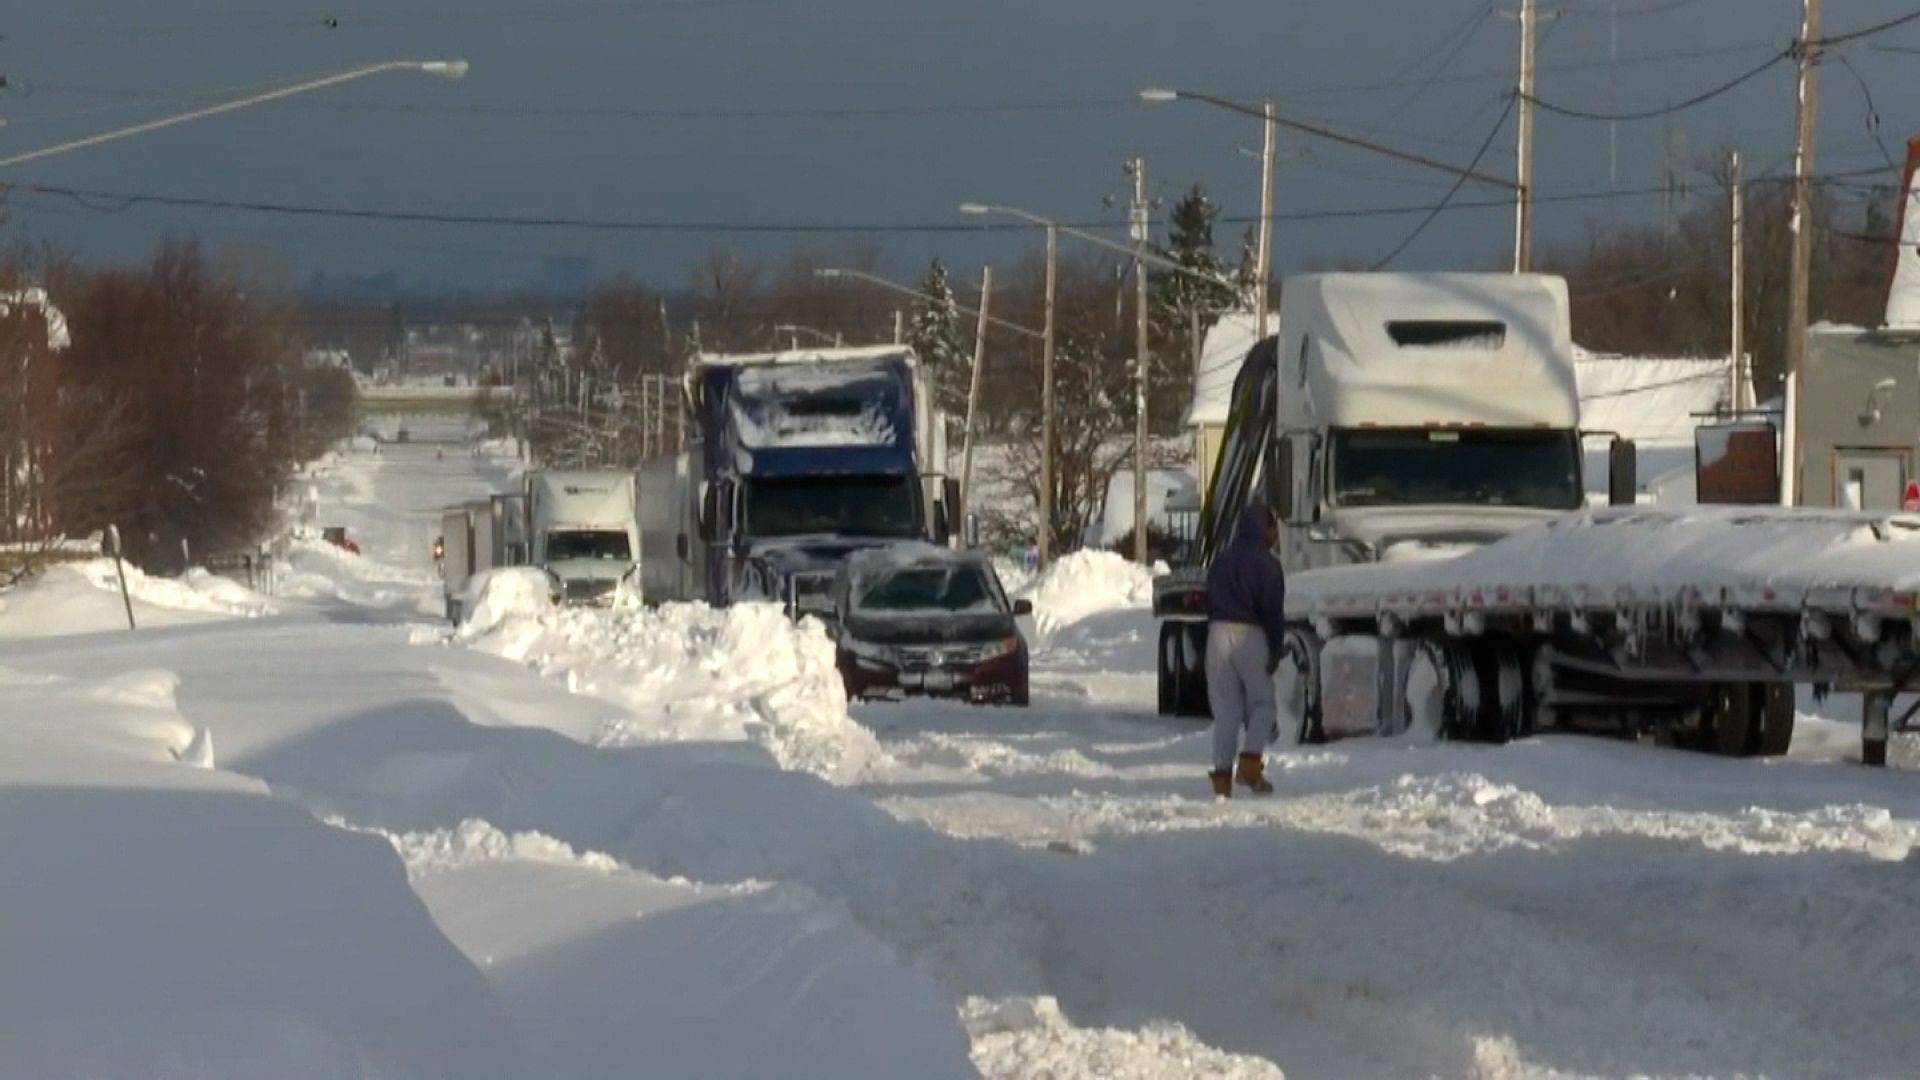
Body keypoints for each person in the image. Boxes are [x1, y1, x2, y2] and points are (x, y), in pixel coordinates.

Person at [1204, 501, 1288, 797]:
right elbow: (1273, 612)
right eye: (1272, 527)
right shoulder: (1268, 565)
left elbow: (1206, 598)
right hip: (1250, 636)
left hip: (1216, 633)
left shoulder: (1221, 560)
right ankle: (1250, 766)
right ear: (1262, 528)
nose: (1274, 534)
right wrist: (1276, 648)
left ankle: (1222, 781)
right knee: (1263, 705)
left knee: (1226, 711)